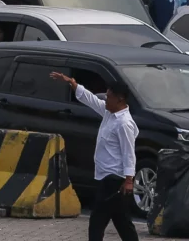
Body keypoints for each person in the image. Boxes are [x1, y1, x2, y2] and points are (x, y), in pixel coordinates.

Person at [51, 71, 138, 241]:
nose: (106, 100)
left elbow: (129, 152)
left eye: (109, 97)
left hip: (114, 179)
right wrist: (73, 84)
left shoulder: (124, 123)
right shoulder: (109, 113)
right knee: (122, 221)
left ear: (120, 99)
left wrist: (129, 179)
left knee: (98, 221)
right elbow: (92, 100)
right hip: (105, 176)